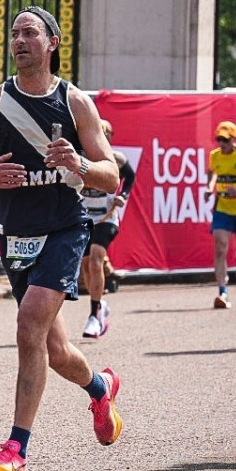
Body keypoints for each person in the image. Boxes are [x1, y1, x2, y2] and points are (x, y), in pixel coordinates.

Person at [0, 6, 122, 471]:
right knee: (55, 351)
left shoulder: (75, 102)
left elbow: (111, 175)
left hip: (64, 229)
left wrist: (80, 164)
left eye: (29, 32)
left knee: (28, 325)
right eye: (14, 33)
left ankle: (16, 449)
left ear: (52, 43)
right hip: (15, 233)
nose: (19, 40)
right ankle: (100, 388)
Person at [79, 119, 135, 337]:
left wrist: (123, 195)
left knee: (96, 259)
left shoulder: (115, 158)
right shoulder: (80, 156)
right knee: (86, 266)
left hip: (106, 218)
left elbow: (130, 176)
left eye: (106, 133)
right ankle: (99, 303)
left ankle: (94, 315)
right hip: (83, 218)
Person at [203, 121, 236, 309]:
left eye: (225, 140)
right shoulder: (214, 155)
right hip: (223, 208)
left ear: (233, 139)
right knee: (220, 247)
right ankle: (222, 291)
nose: (222, 144)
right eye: (219, 139)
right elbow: (213, 172)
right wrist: (210, 187)